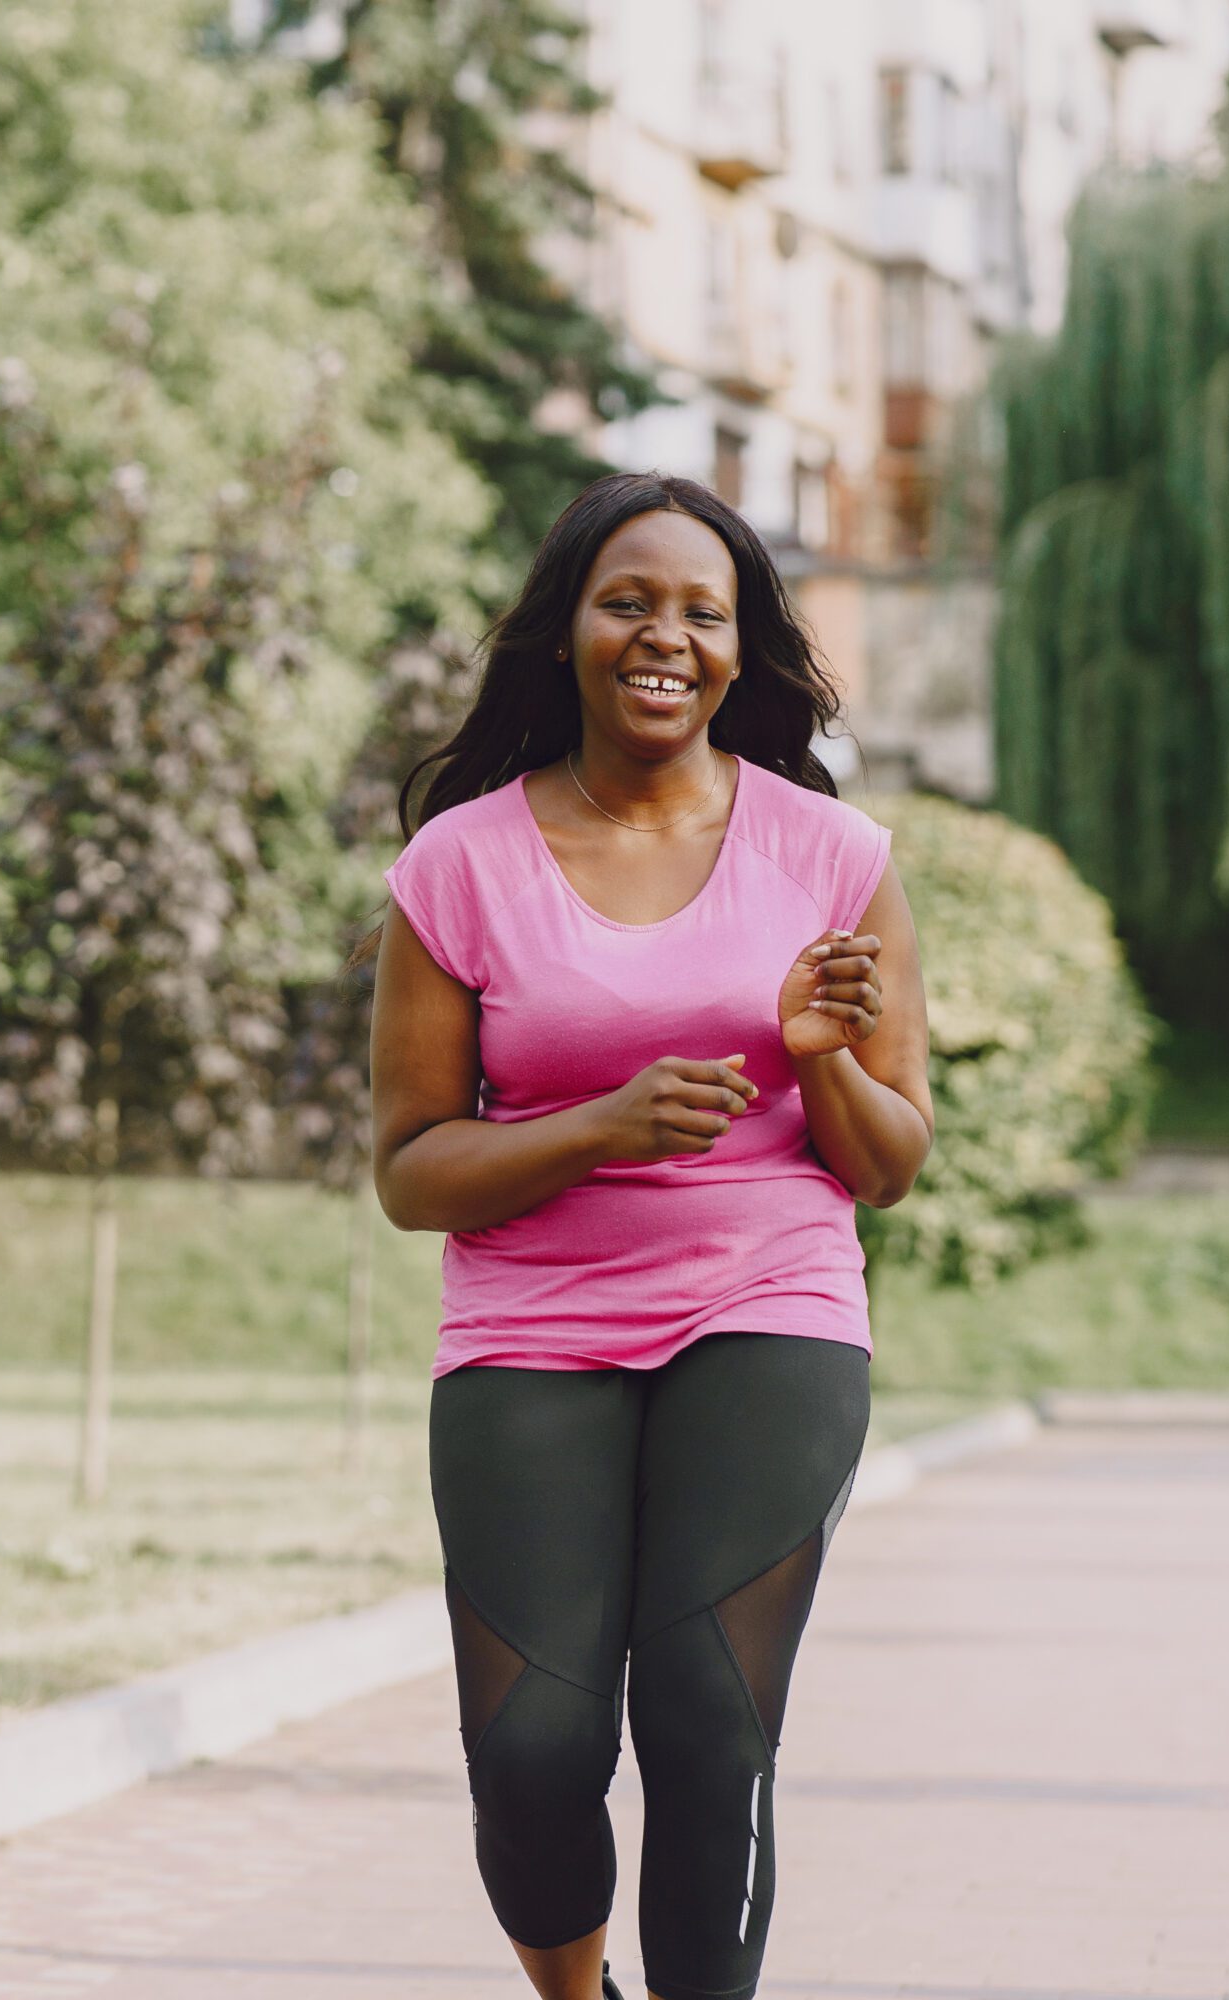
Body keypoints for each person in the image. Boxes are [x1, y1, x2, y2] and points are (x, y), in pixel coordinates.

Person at [365, 472, 933, 2000]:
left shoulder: (833, 856)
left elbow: (891, 1165)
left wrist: (817, 1057)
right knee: (534, 1749)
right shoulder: (459, 865)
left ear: (743, 652)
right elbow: (412, 1170)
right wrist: (599, 1128)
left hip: (769, 1304)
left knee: (705, 1722)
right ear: (567, 633)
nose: (663, 636)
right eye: (630, 601)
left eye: (703, 610)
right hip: (530, 1323)